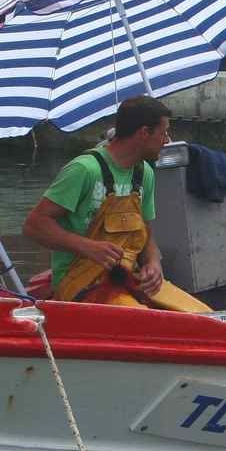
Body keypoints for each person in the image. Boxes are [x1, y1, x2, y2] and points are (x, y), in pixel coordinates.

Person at [22, 96, 170, 305]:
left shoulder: (144, 172)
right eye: (163, 133)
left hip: (125, 281)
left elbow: (146, 234)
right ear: (144, 133)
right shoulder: (84, 170)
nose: (167, 141)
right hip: (80, 287)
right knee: (144, 321)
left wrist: (154, 263)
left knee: (195, 313)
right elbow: (33, 226)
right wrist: (87, 247)